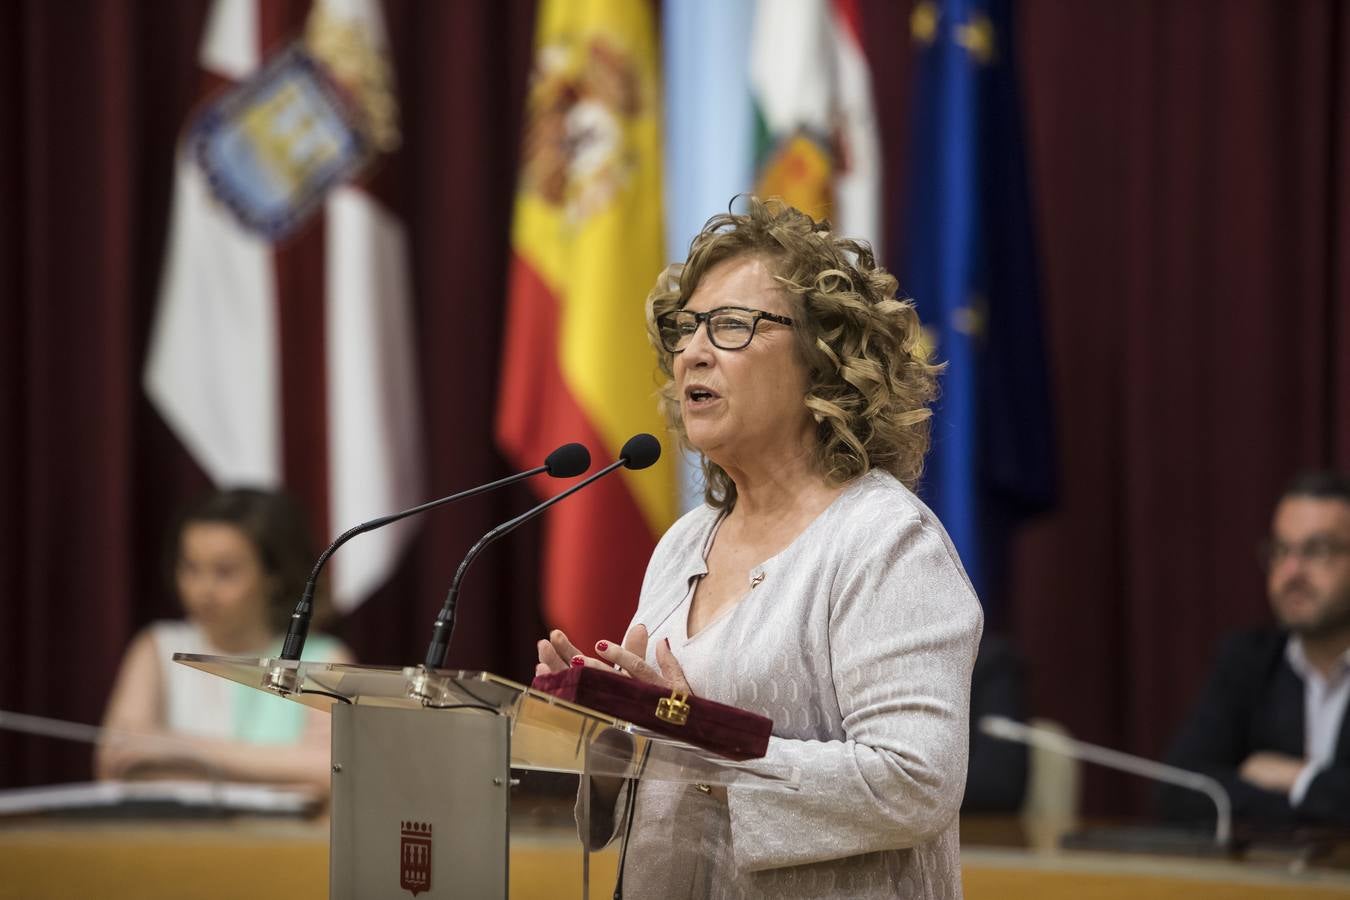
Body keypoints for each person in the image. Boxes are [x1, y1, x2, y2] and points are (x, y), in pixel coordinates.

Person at [536, 198, 983, 898]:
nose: (691, 351)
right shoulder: (685, 542)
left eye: (732, 326)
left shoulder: (886, 542)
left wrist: (696, 734)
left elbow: (916, 782)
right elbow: (662, 762)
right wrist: (614, 726)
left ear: (824, 359)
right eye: (684, 329)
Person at [96, 489, 352, 793]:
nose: (202, 590)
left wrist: (172, 748)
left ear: (274, 575)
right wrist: (281, 770)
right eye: (190, 568)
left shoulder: (324, 655)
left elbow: (333, 771)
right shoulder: (156, 646)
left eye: (225, 572)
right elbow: (117, 763)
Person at [1159, 471, 1350, 827]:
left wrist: (1299, 779)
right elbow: (1181, 791)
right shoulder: (1249, 659)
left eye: (1317, 551)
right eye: (1281, 550)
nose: (1292, 572)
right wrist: (1321, 810)